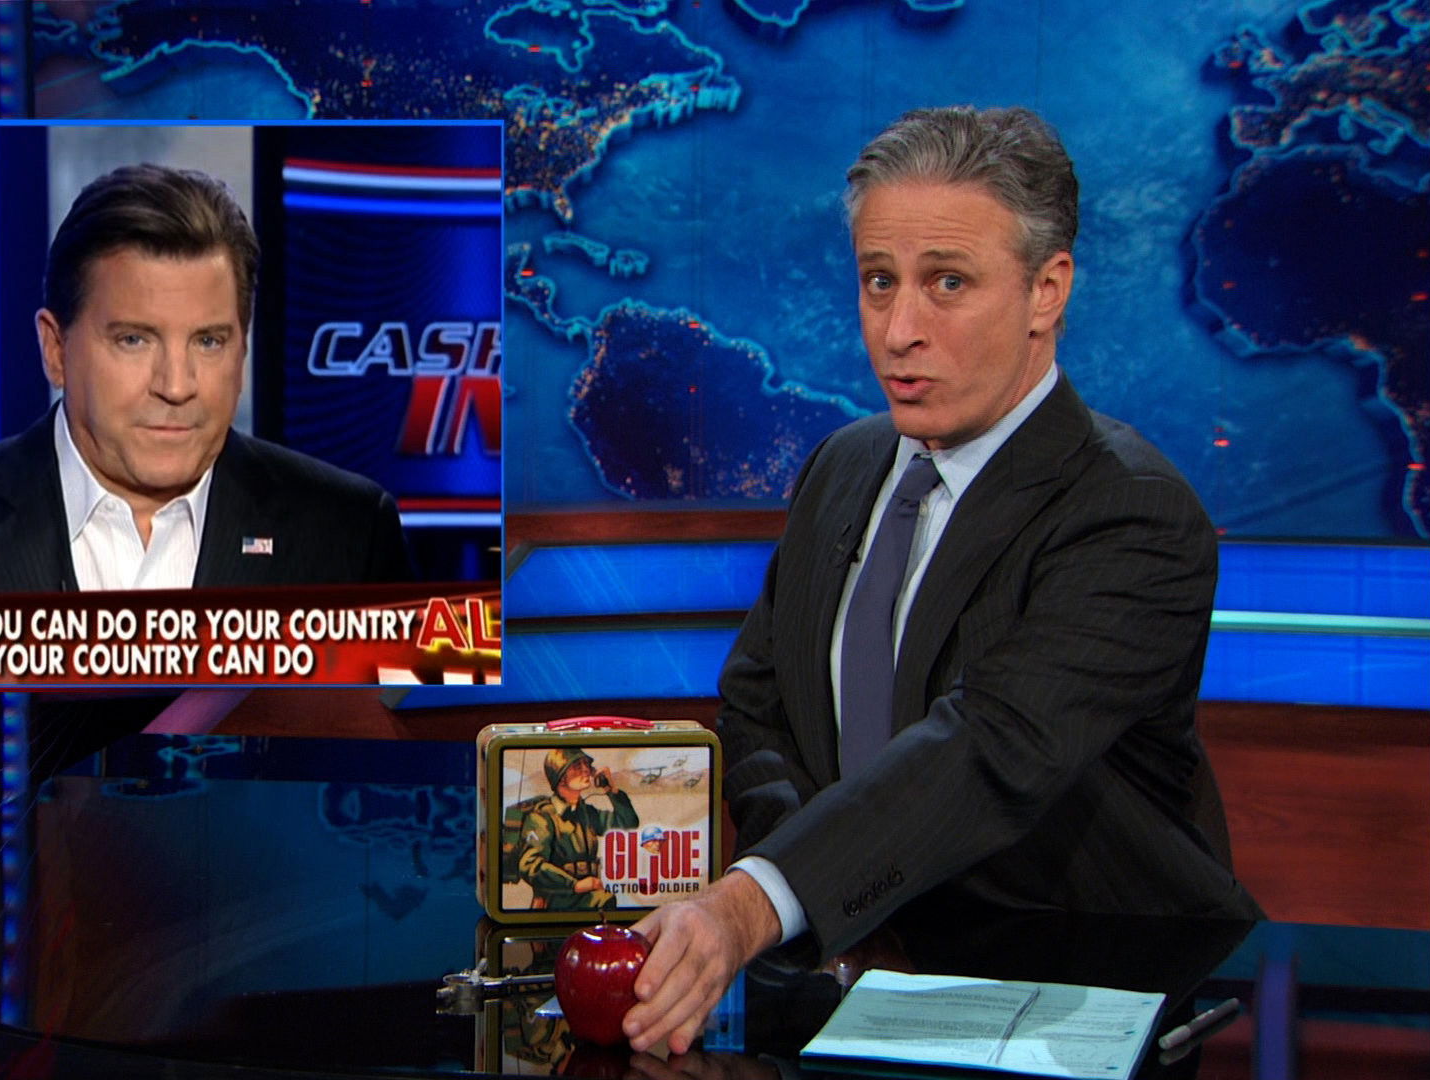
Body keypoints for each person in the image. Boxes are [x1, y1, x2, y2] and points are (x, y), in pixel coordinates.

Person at [621, 106, 1262, 1056]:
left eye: (947, 283)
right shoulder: (843, 466)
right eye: (879, 281)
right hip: (858, 991)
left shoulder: (1130, 513)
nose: (899, 330)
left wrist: (759, 901)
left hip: (1080, 994)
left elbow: (992, 749)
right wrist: (832, 907)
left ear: (1047, 291)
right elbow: (759, 705)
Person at [0, 164, 412, 597]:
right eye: (134, 340)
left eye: (208, 341)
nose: (177, 386)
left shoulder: (350, 536)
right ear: (55, 349)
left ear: (243, 346)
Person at [516, 749, 640, 911]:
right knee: (603, 900)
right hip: (557, 898)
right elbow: (530, 865)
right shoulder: (542, 817)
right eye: (577, 766)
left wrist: (612, 791)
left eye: (587, 765)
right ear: (560, 777)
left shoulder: (586, 814)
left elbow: (627, 824)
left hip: (587, 894)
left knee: (604, 901)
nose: (586, 770)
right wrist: (574, 885)